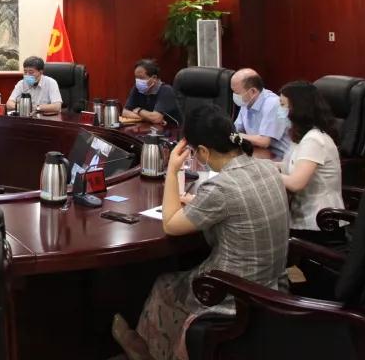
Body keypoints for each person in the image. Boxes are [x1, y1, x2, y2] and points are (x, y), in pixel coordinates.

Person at [112, 104, 290, 360]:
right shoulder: (267, 168)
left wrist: (172, 170)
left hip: (234, 292)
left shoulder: (221, 188)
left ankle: (149, 352)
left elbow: (170, 224)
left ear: (204, 151)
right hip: (272, 283)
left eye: (195, 151)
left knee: (164, 285)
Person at [277, 81, 345, 241]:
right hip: (304, 217)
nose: (279, 110)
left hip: (320, 223)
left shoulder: (314, 139)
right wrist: (263, 165)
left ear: (297, 108)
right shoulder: (302, 136)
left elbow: (296, 183)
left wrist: (265, 172)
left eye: (283, 105)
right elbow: (291, 166)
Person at [231, 68, 291, 157]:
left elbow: (264, 142)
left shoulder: (273, 104)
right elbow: (236, 130)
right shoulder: (246, 102)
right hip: (260, 152)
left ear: (253, 91)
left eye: (237, 92)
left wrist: (234, 135)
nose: (234, 95)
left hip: (280, 158)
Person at [121, 59, 180, 125]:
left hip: (171, 129)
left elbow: (156, 118)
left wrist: (138, 110)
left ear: (154, 78)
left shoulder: (166, 90)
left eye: (141, 78)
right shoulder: (137, 88)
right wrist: (147, 118)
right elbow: (124, 112)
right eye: (136, 77)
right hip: (150, 127)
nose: (138, 81)